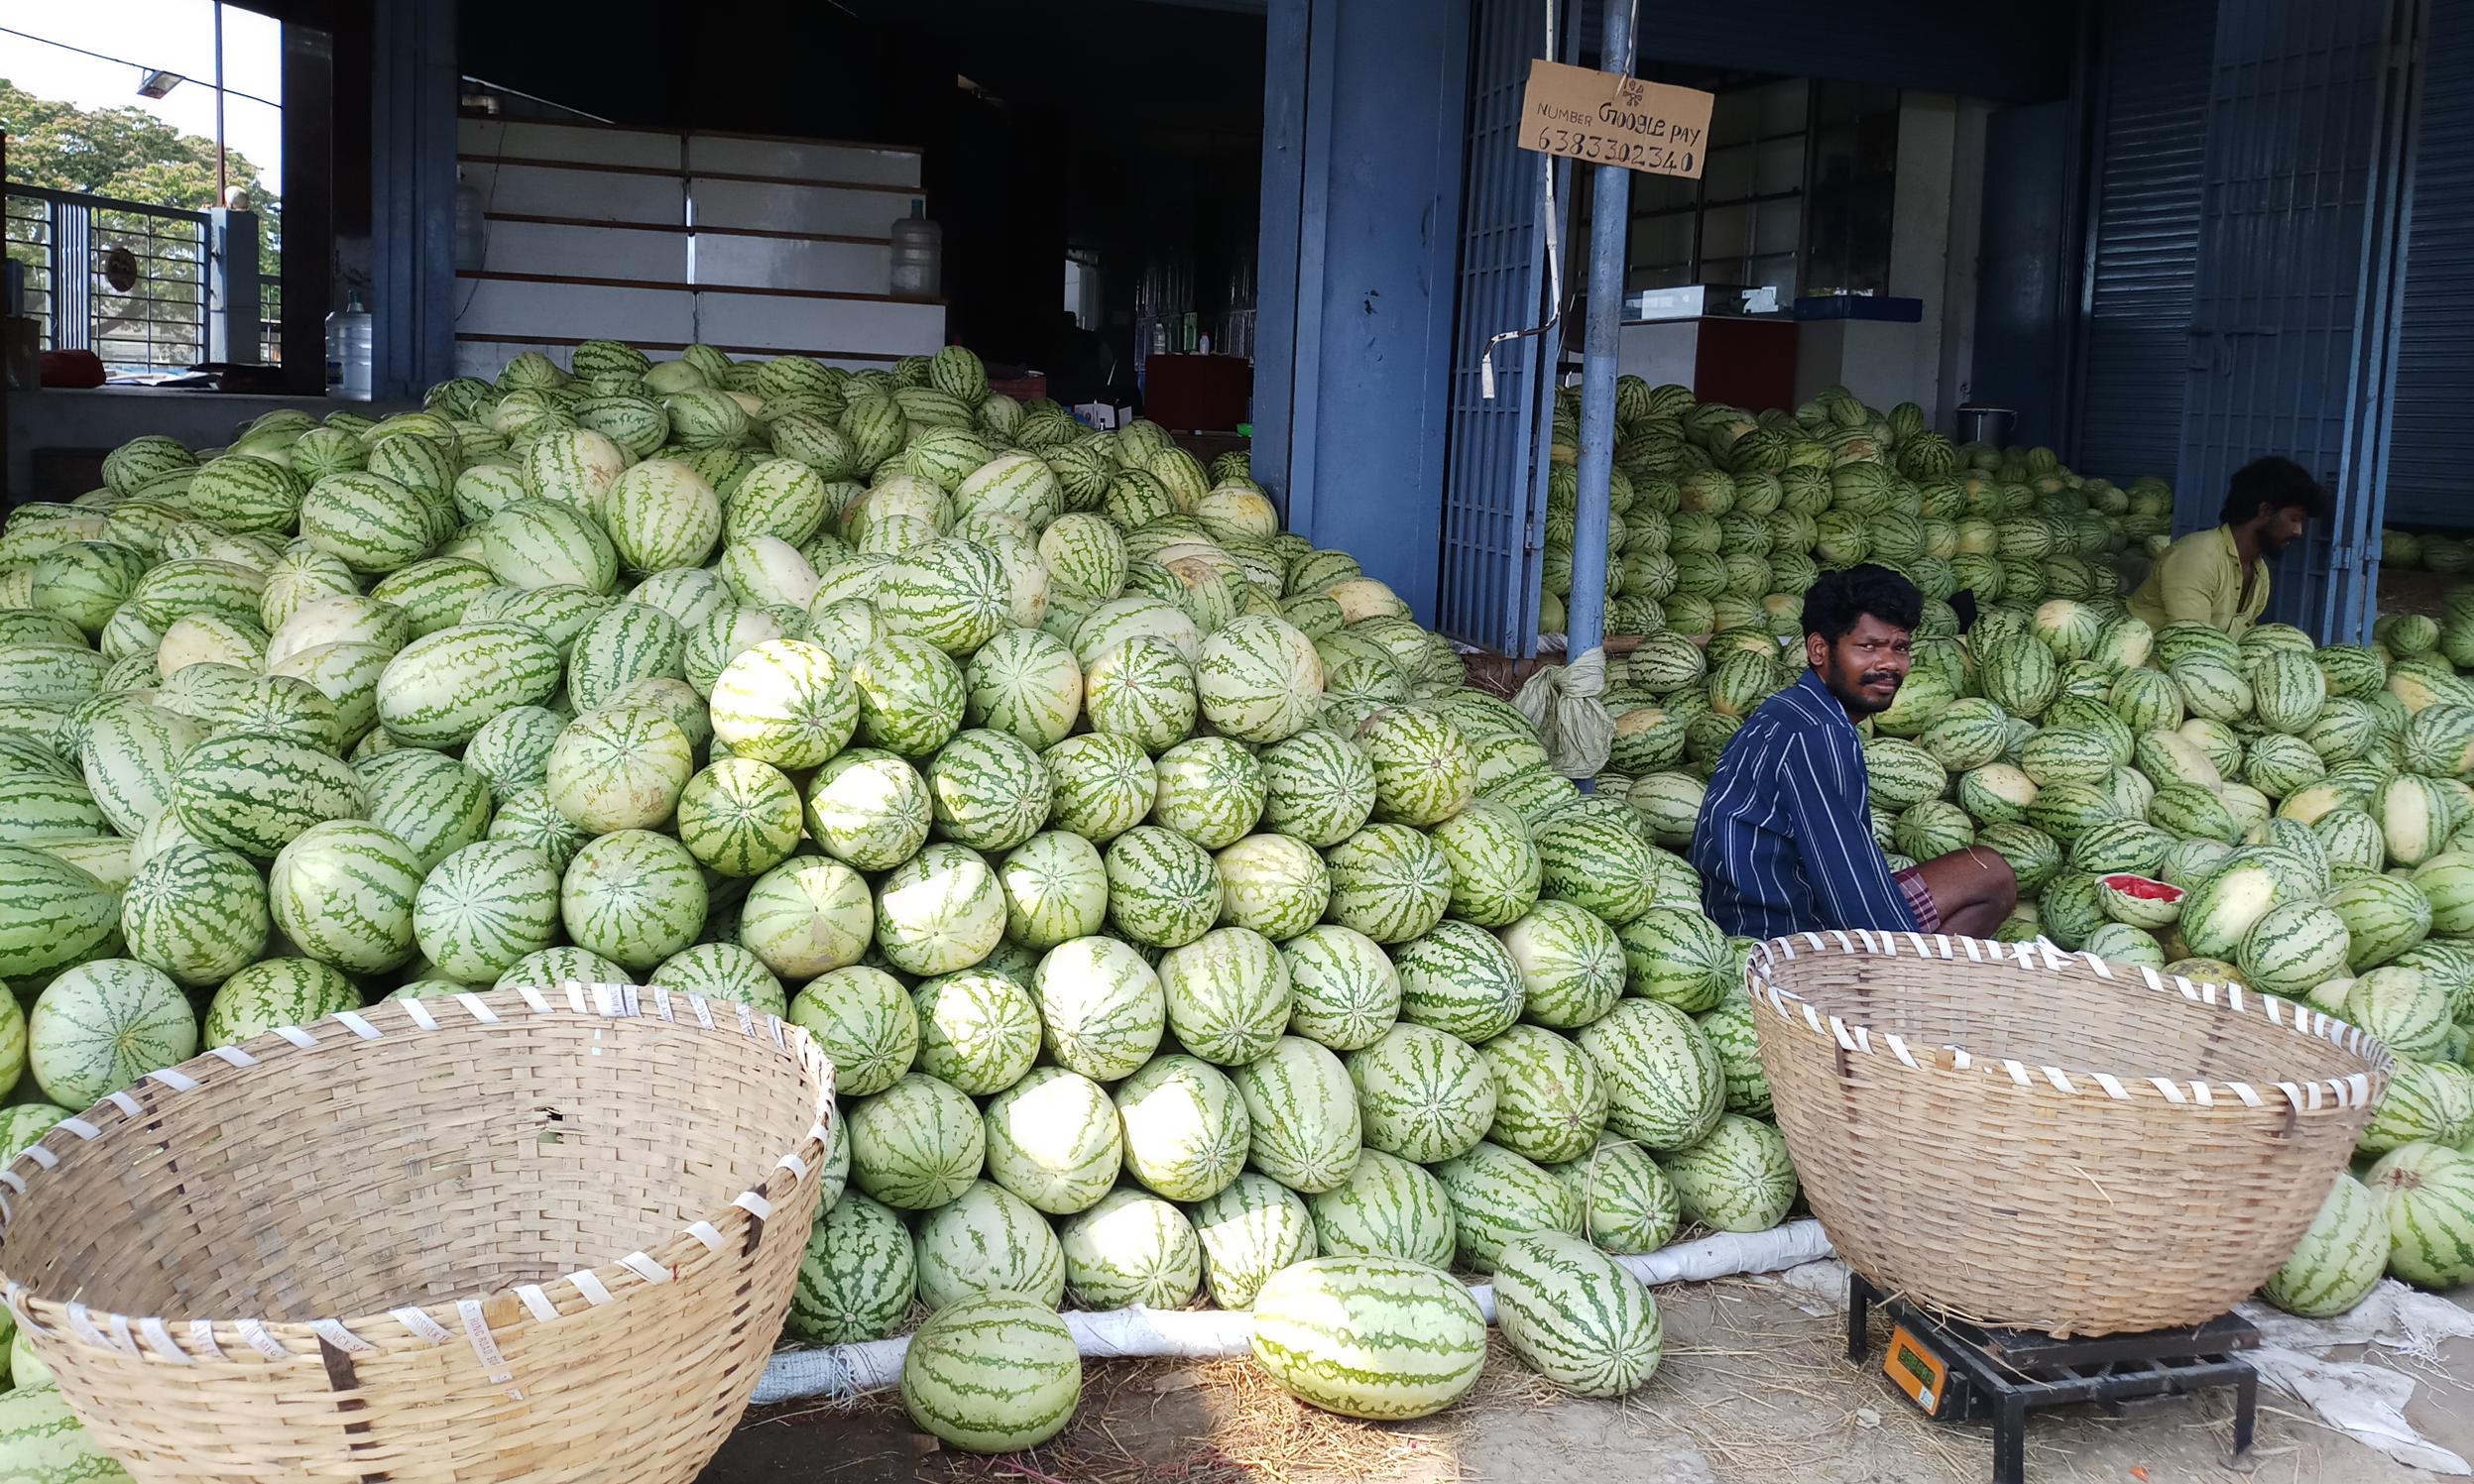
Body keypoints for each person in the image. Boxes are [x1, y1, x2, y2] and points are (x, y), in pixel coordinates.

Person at [1692, 564, 2018, 940]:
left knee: (1981, 870)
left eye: (1900, 648)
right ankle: (1905, 992)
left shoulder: (1791, 710)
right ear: (1819, 649)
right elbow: (1854, 896)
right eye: (1868, 647)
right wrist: (1903, 951)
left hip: (1739, 913)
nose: (1889, 664)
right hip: (1779, 935)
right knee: (1990, 875)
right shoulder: (1819, 734)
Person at [2125, 457, 2331, 638]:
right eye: (2294, 519)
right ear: (2266, 510)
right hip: (2150, 672)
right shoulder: (2197, 557)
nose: (2298, 531)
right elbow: (2190, 643)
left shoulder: (2260, 572)